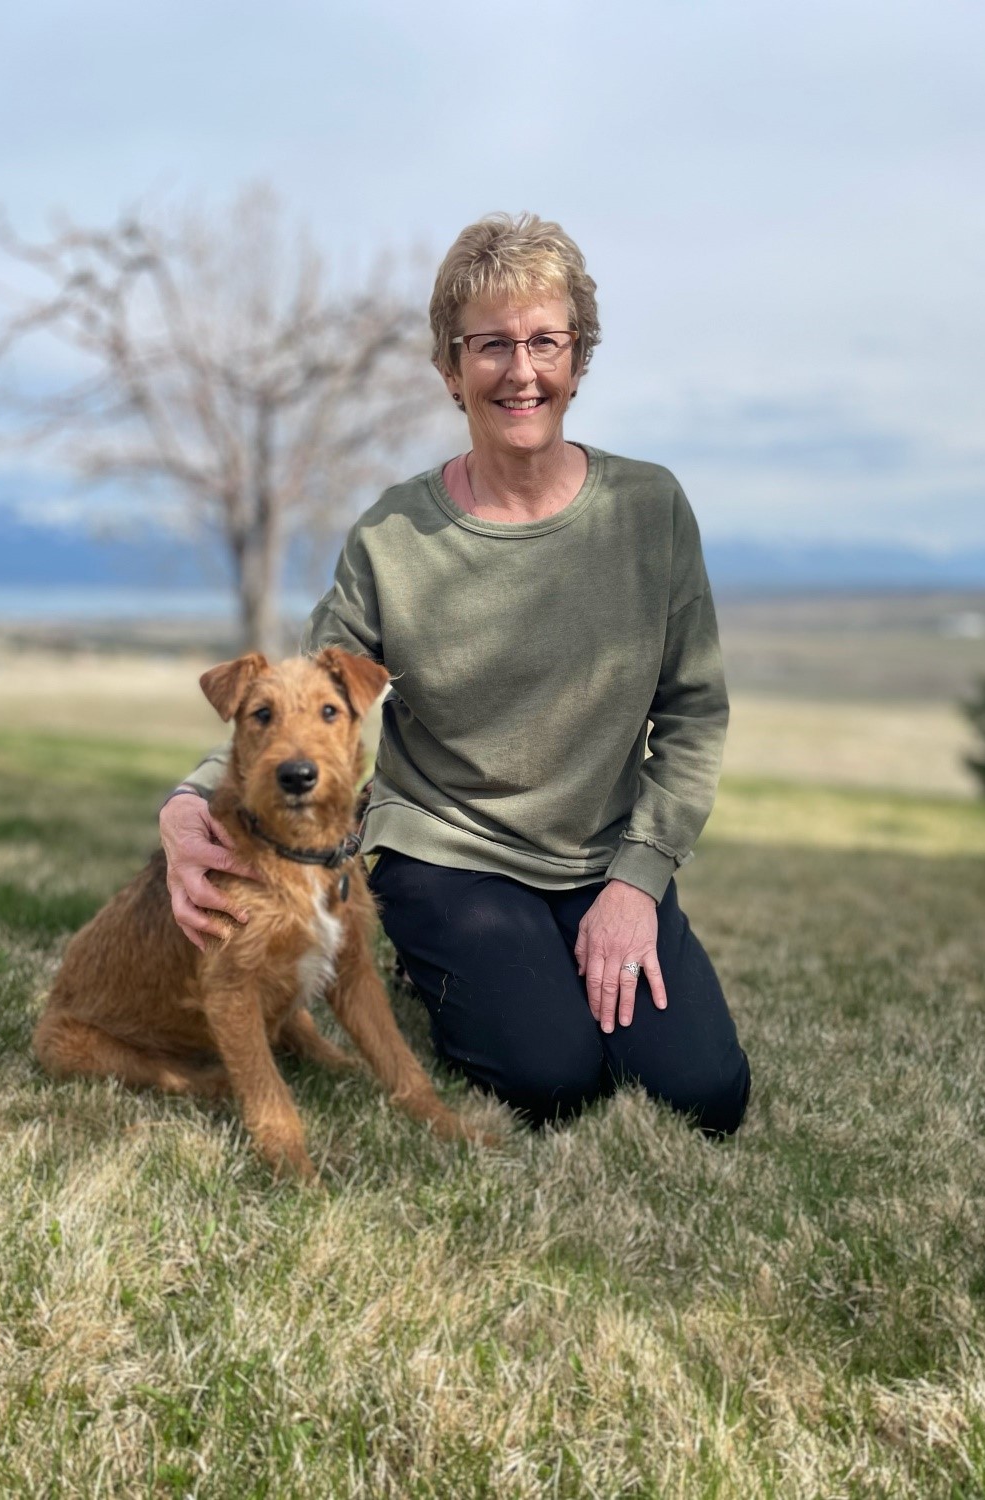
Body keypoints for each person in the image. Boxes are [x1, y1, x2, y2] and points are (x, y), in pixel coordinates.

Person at [159, 212, 750, 1136]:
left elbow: (692, 713)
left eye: (545, 341)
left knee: (705, 1096)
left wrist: (637, 882)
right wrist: (190, 799)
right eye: (490, 346)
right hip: (452, 854)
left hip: (598, 857)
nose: (521, 370)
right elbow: (302, 700)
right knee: (553, 1082)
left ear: (579, 359)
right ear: (449, 370)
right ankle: (426, 958)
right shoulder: (394, 536)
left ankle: (558, 950)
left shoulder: (651, 510)